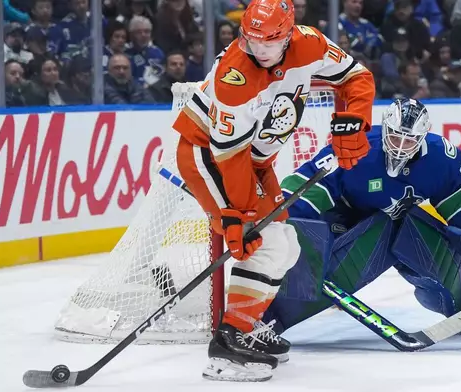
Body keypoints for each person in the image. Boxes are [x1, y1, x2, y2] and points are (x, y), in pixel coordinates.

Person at [170, 0, 375, 382]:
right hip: (209, 158)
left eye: (271, 41)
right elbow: (227, 154)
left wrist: (355, 119)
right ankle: (228, 347)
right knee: (266, 243)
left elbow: (356, 76)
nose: (260, 49)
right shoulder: (235, 77)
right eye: (253, 40)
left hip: (254, 163)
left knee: (287, 245)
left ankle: (243, 329)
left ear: (289, 34)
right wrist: (238, 216)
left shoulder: (310, 44)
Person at [262, 98, 461, 341]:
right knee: (315, 265)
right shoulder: (357, 147)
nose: (401, 146)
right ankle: (269, 316)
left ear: (423, 137)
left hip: (398, 223)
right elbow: (306, 185)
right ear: (385, 129)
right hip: (345, 222)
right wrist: (277, 217)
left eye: (410, 140)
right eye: (395, 137)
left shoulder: (442, 158)